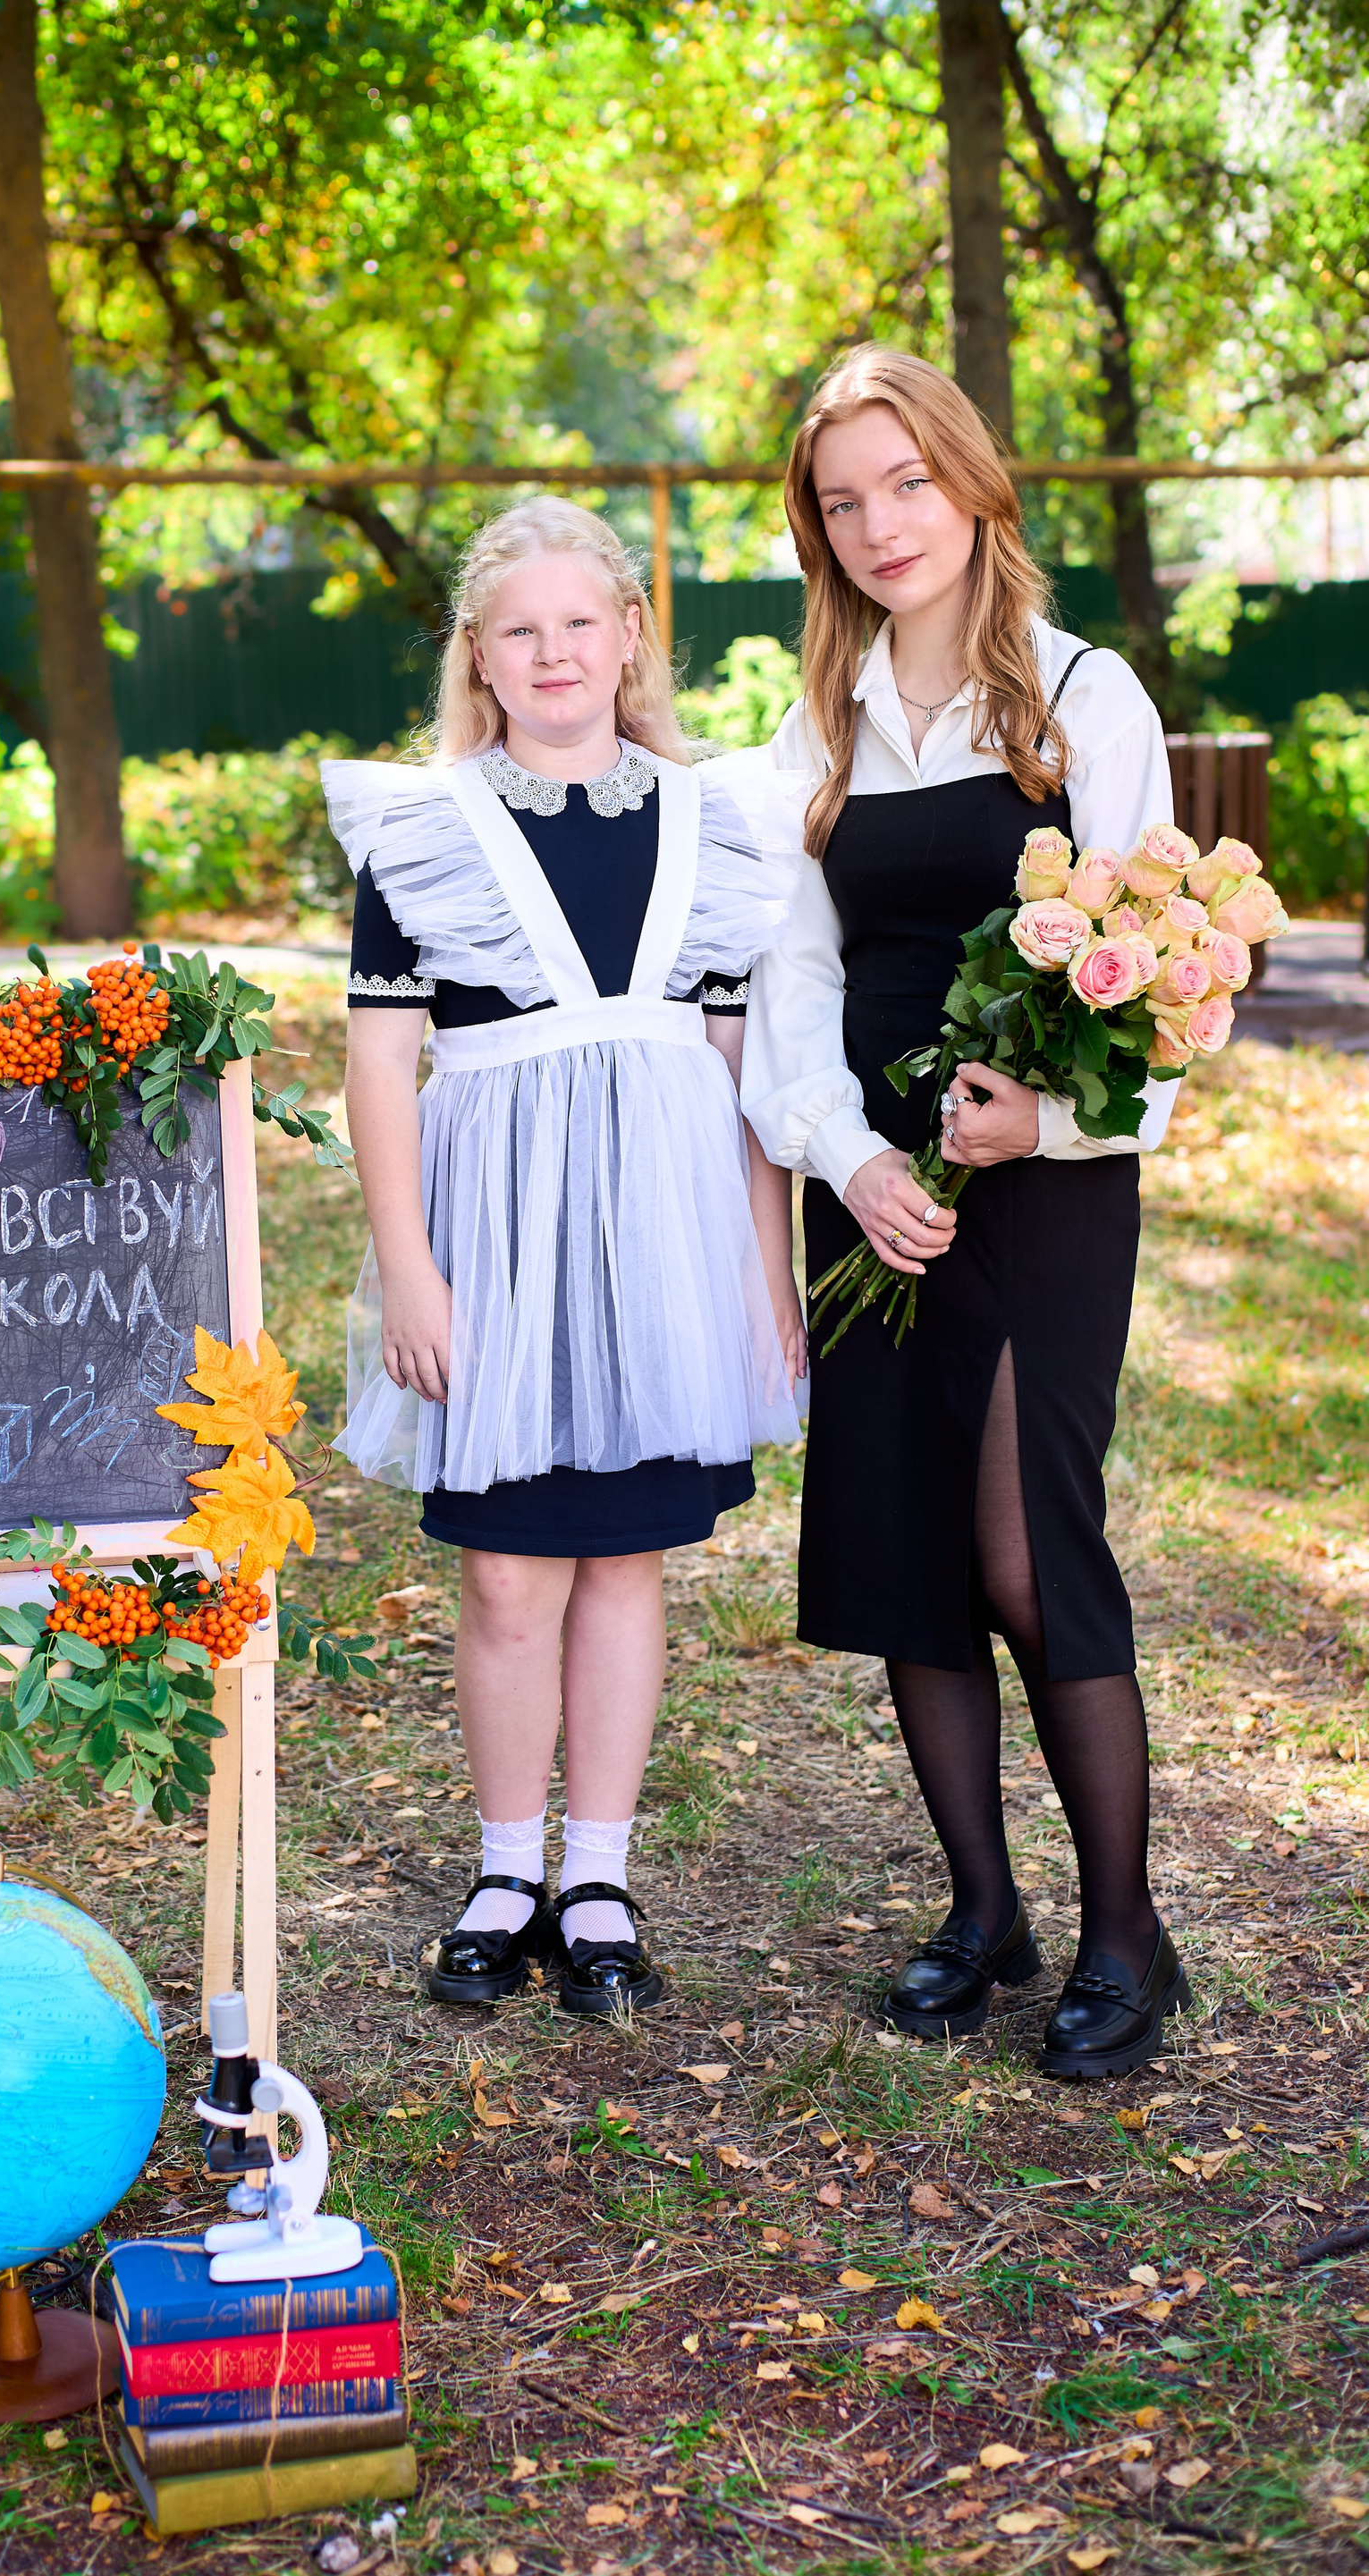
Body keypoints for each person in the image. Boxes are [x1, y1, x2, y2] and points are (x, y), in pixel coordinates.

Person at [741, 346, 1189, 2082]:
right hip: (873, 1183)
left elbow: (1168, 991)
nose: (881, 525)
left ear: (972, 478)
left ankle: (1126, 1935)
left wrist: (1043, 1120)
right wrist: (848, 1157)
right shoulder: (818, 727)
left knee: (1021, 1545)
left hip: (1046, 1189)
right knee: (906, 1544)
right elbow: (793, 981)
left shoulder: (1085, 696)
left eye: (906, 482)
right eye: (843, 501)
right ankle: (983, 1912)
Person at [329, 496, 805, 2019]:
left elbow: (738, 1074)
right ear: (478, 652)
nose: (553, 652)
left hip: (664, 1243)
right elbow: (379, 1066)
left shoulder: (713, 825)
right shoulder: (424, 829)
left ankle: (597, 1875)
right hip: (499, 1249)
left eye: (580, 622)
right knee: (507, 1572)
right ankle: (504, 1869)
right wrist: (410, 1266)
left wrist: (764, 1273)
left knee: (623, 1561)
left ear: (630, 635)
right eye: (520, 630)